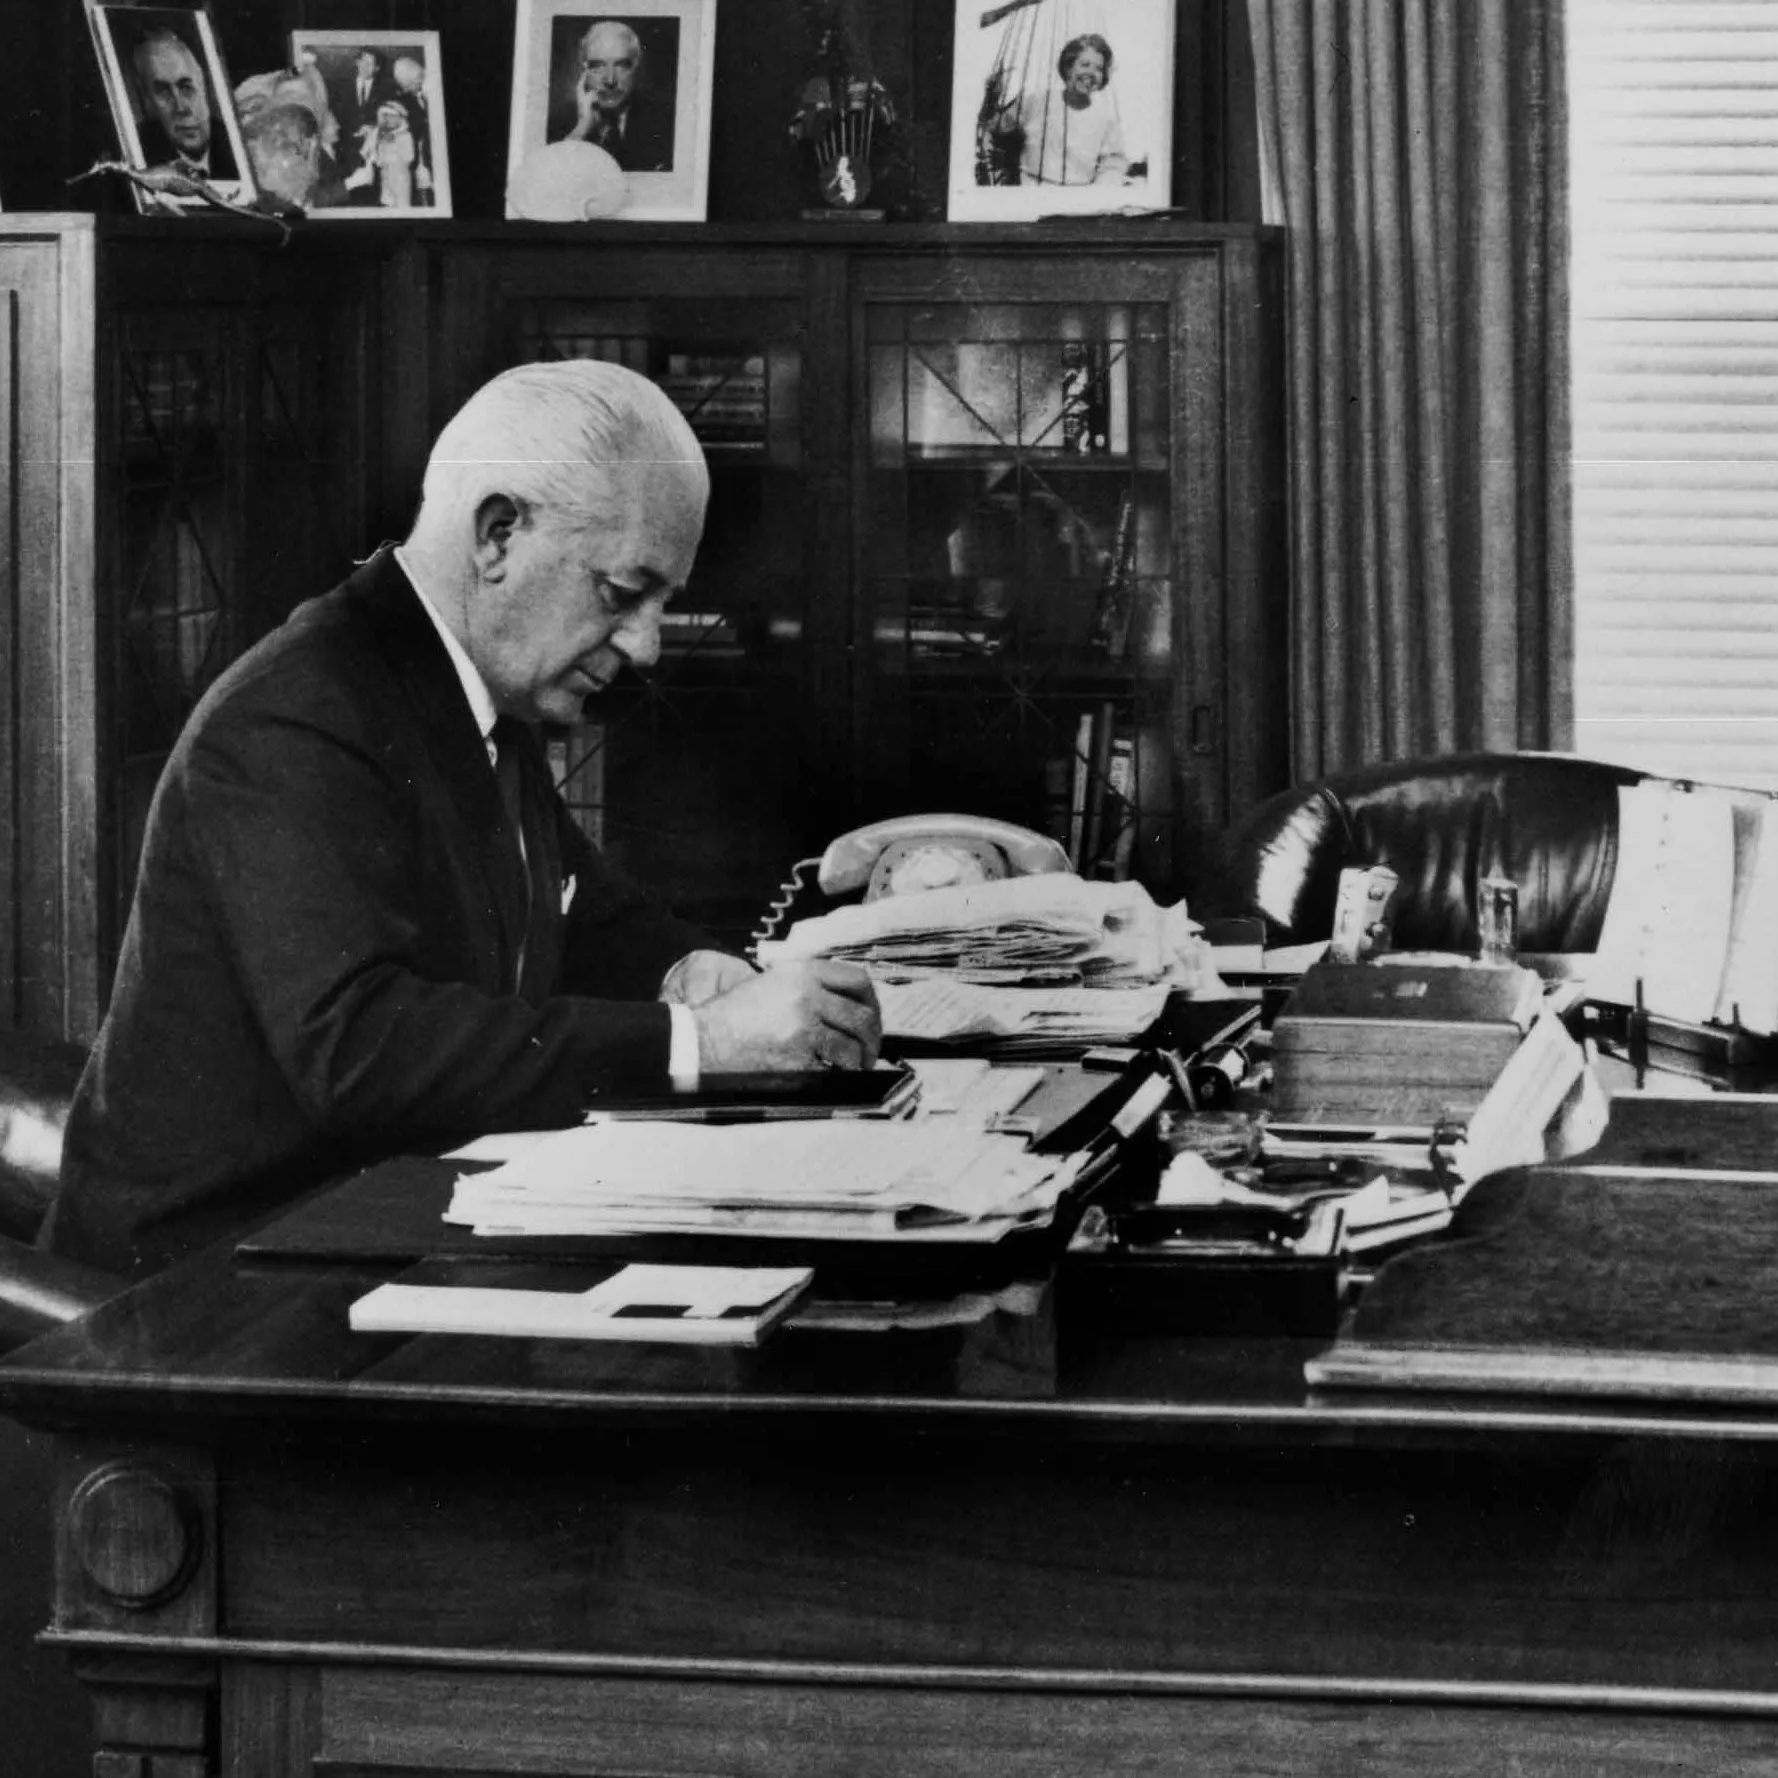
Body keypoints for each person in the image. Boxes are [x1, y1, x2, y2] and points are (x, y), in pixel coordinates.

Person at [42, 360, 881, 1278]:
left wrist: (690, 972)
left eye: (663, 604)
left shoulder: (472, 686)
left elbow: (584, 914)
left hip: (363, 1240)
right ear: (496, 535)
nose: (644, 646)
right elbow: (361, 1050)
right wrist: (702, 1045)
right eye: (620, 593)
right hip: (202, 1297)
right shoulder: (298, 712)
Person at [1001, 33, 1127, 188]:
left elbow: (1113, 165)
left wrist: (1098, 193)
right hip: (1031, 191)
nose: (1091, 73)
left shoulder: (1106, 117)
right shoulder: (1037, 100)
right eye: (1085, 65)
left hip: (1079, 197)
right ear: (1068, 67)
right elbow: (1000, 127)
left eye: (1099, 69)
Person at [552, 18, 676, 172]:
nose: (610, 80)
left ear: (636, 67)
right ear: (583, 69)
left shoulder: (668, 122)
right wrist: (582, 128)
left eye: (622, 65)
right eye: (597, 66)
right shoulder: (558, 122)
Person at [130, 25, 237, 182]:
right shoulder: (138, 157)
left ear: (203, 84)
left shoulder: (235, 147)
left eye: (186, 87)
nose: (181, 107)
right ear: (146, 100)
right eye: (164, 92)